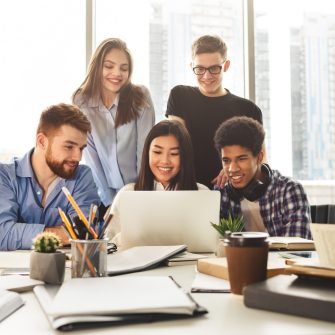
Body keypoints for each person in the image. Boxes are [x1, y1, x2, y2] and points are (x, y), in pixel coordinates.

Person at [166, 34, 263, 189]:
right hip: (187, 189)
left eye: (214, 69)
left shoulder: (248, 109)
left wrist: (234, 169)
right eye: (200, 69)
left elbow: (260, 162)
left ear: (226, 66)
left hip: (232, 193)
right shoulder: (180, 96)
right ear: (191, 67)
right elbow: (174, 146)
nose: (207, 76)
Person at [0, 103, 100, 251]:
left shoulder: (82, 177)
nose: (78, 157)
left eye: (81, 148)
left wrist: (19, 232)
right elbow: (3, 234)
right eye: (69, 146)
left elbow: (85, 233)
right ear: (42, 142)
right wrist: (62, 233)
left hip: (64, 270)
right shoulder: (5, 176)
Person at [73, 38, 155, 211]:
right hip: (104, 199)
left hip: (139, 193)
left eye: (123, 68)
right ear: (97, 66)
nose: (117, 73)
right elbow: (92, 159)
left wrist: (138, 195)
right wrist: (112, 204)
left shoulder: (140, 97)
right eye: (109, 66)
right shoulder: (81, 102)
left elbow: (144, 152)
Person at [105, 120, 208, 242]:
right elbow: (108, 244)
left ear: (185, 157)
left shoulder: (202, 193)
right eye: (157, 152)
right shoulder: (128, 194)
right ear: (147, 153)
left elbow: (209, 243)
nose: (165, 160)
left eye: (174, 153)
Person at [214, 116, 311, 239]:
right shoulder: (221, 193)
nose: (232, 169)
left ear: (259, 157)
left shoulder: (289, 190)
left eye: (241, 159)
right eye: (226, 161)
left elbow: (296, 250)